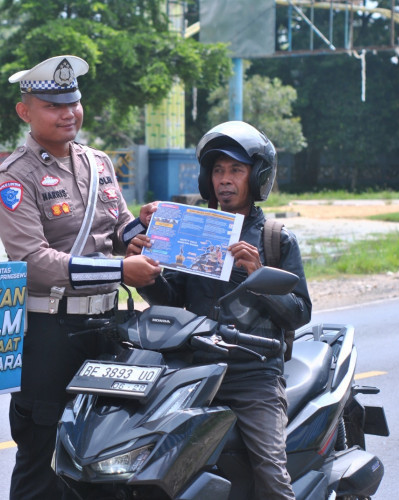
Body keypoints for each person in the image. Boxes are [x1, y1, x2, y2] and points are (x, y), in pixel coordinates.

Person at [0, 55, 162, 500]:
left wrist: (148, 230)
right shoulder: (15, 177)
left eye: (74, 102)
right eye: (52, 105)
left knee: (106, 454)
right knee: (42, 461)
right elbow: (33, 261)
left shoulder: (97, 162)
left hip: (105, 330)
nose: (68, 113)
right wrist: (122, 268)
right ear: (25, 111)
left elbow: (119, 228)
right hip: (50, 333)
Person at [130, 121, 312, 499]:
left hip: (253, 376)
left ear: (257, 176)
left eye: (236, 170)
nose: (224, 180)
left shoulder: (275, 239)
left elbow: (299, 313)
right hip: (192, 369)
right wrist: (144, 274)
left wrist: (258, 273)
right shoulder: (193, 228)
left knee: (271, 472)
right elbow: (171, 300)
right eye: (218, 170)